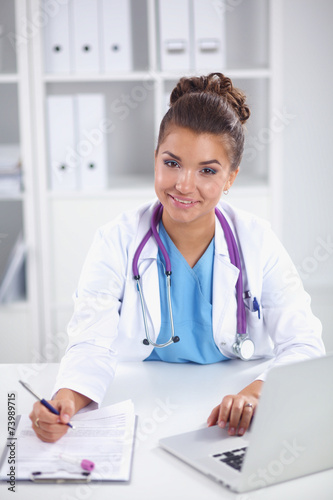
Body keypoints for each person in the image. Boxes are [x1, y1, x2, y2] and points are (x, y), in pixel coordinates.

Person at [30, 73, 325, 442]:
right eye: (172, 163)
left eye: (207, 170)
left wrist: (255, 394)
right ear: (155, 158)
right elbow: (91, 343)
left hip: (227, 416)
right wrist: (67, 401)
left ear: (231, 177)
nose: (185, 184)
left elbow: (305, 344)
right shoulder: (115, 241)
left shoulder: (257, 242)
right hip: (144, 406)